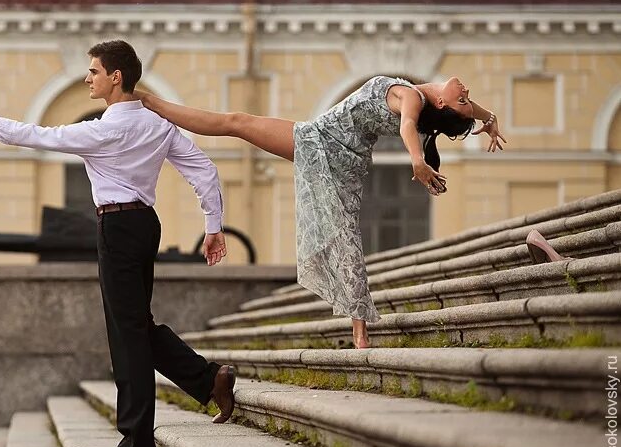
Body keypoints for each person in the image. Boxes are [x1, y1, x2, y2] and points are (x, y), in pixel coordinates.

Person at [0, 39, 237, 447]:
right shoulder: (158, 125)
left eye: (93, 71)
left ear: (116, 77)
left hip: (116, 226)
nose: (86, 77)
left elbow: (29, 135)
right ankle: (208, 381)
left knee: (126, 332)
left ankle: (136, 442)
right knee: (136, 324)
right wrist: (212, 225)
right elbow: (204, 169)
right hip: (146, 224)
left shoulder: (102, 130)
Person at [134, 75, 507, 348]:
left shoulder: (412, 98)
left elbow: (409, 125)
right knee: (238, 124)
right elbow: (469, 110)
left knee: (236, 123)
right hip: (337, 150)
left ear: (442, 104)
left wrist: (417, 160)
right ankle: (359, 330)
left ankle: (150, 102)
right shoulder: (439, 97)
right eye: (466, 99)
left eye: (462, 101)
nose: (467, 95)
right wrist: (487, 121)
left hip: (322, 145)